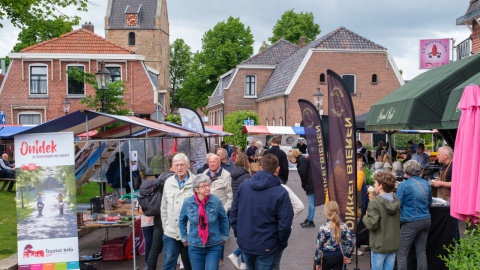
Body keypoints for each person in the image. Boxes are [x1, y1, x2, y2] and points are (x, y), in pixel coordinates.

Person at [230, 154, 293, 270]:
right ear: (277, 169)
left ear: (260, 167)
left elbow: (233, 213)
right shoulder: (280, 192)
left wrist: (240, 235)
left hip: (247, 243)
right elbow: (285, 223)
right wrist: (280, 243)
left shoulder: (244, 186)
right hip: (268, 246)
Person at [179, 174, 230, 270]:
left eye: (208, 185)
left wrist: (225, 236)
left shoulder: (216, 201)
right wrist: (184, 237)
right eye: (203, 186)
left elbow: (224, 218)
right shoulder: (188, 203)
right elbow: (182, 220)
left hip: (214, 244)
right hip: (195, 245)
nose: (207, 188)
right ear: (196, 189)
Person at [396, 160, 432, 270]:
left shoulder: (404, 185)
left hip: (411, 220)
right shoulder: (426, 184)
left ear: (406, 171)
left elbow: (397, 204)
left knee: (402, 251)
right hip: (426, 219)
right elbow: (429, 203)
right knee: (421, 251)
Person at [161, 153, 194, 270]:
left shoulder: (196, 182)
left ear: (188, 165)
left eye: (182, 165)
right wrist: (166, 226)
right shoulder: (168, 182)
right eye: (176, 165)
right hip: (171, 233)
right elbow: (163, 207)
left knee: (190, 265)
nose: (179, 168)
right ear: (173, 166)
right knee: (169, 263)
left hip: (190, 233)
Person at [362, 172, 400, 270]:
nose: (374, 185)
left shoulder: (375, 202)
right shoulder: (395, 200)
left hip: (379, 244)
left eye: (375, 183)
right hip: (392, 243)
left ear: (381, 186)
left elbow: (372, 224)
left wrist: (365, 217)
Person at [202, 153, 233, 266]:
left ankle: (219, 258)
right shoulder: (204, 174)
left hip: (220, 212)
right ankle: (208, 256)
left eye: (213, 162)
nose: (211, 164)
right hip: (205, 211)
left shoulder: (226, 175)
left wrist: (225, 210)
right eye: (209, 162)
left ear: (219, 163)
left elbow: (230, 195)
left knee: (219, 236)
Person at [148, 153, 177, 270]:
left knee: (155, 248)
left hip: (158, 215)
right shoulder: (173, 178)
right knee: (173, 248)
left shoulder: (162, 176)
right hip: (168, 216)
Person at [314, 201, 355, 270]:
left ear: (326, 213)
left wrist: (317, 262)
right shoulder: (343, 226)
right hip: (339, 256)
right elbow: (351, 241)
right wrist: (348, 255)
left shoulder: (323, 228)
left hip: (327, 257)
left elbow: (319, 246)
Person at [228, 153, 251, 270]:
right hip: (244, 207)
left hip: (235, 206)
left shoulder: (232, 174)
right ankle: (240, 259)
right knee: (247, 236)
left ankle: (240, 259)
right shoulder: (246, 176)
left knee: (242, 235)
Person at [288, 149, 315, 228]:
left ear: (294, 156)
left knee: (311, 201)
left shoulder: (301, 161)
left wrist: (305, 185)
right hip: (311, 182)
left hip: (310, 183)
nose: (290, 160)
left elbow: (303, 174)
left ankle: (310, 220)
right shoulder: (303, 159)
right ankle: (309, 218)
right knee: (311, 201)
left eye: (290, 159)